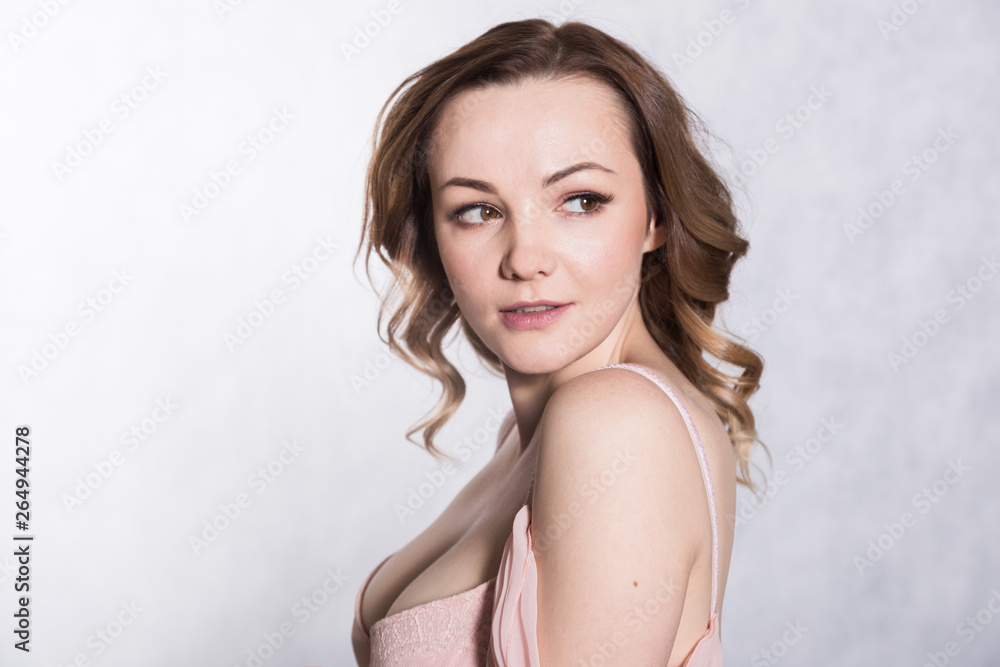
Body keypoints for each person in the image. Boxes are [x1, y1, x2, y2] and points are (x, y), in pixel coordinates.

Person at [351, 17, 765, 666]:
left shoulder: (616, 423)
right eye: (478, 210)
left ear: (656, 215)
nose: (525, 258)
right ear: (433, 232)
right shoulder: (529, 437)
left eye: (579, 200)